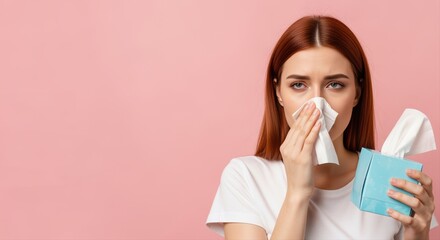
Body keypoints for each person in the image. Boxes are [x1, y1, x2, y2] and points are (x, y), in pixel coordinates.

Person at [206, 15, 437, 239]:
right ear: (278, 93)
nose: (317, 104)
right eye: (298, 85)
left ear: (356, 92)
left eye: (335, 84)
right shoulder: (246, 177)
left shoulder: (387, 178)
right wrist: (297, 193)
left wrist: (418, 235)